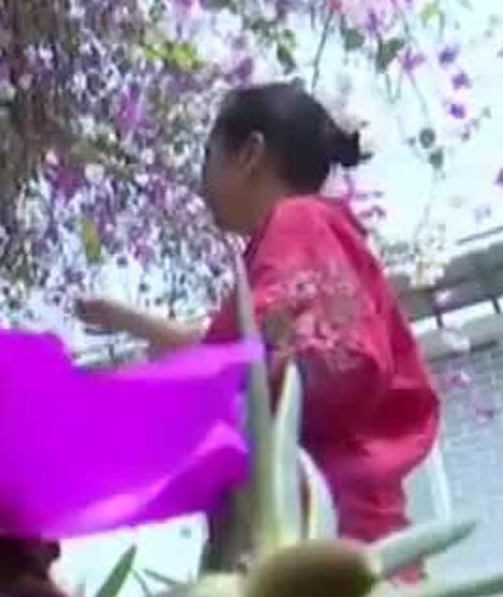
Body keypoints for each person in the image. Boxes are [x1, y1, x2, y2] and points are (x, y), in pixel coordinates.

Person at [79, 81, 440, 550]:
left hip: (326, 542)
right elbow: (240, 351)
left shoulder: (299, 222)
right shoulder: (293, 240)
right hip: (313, 535)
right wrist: (131, 322)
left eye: (209, 155)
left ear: (249, 154)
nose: (200, 177)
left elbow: (324, 359)